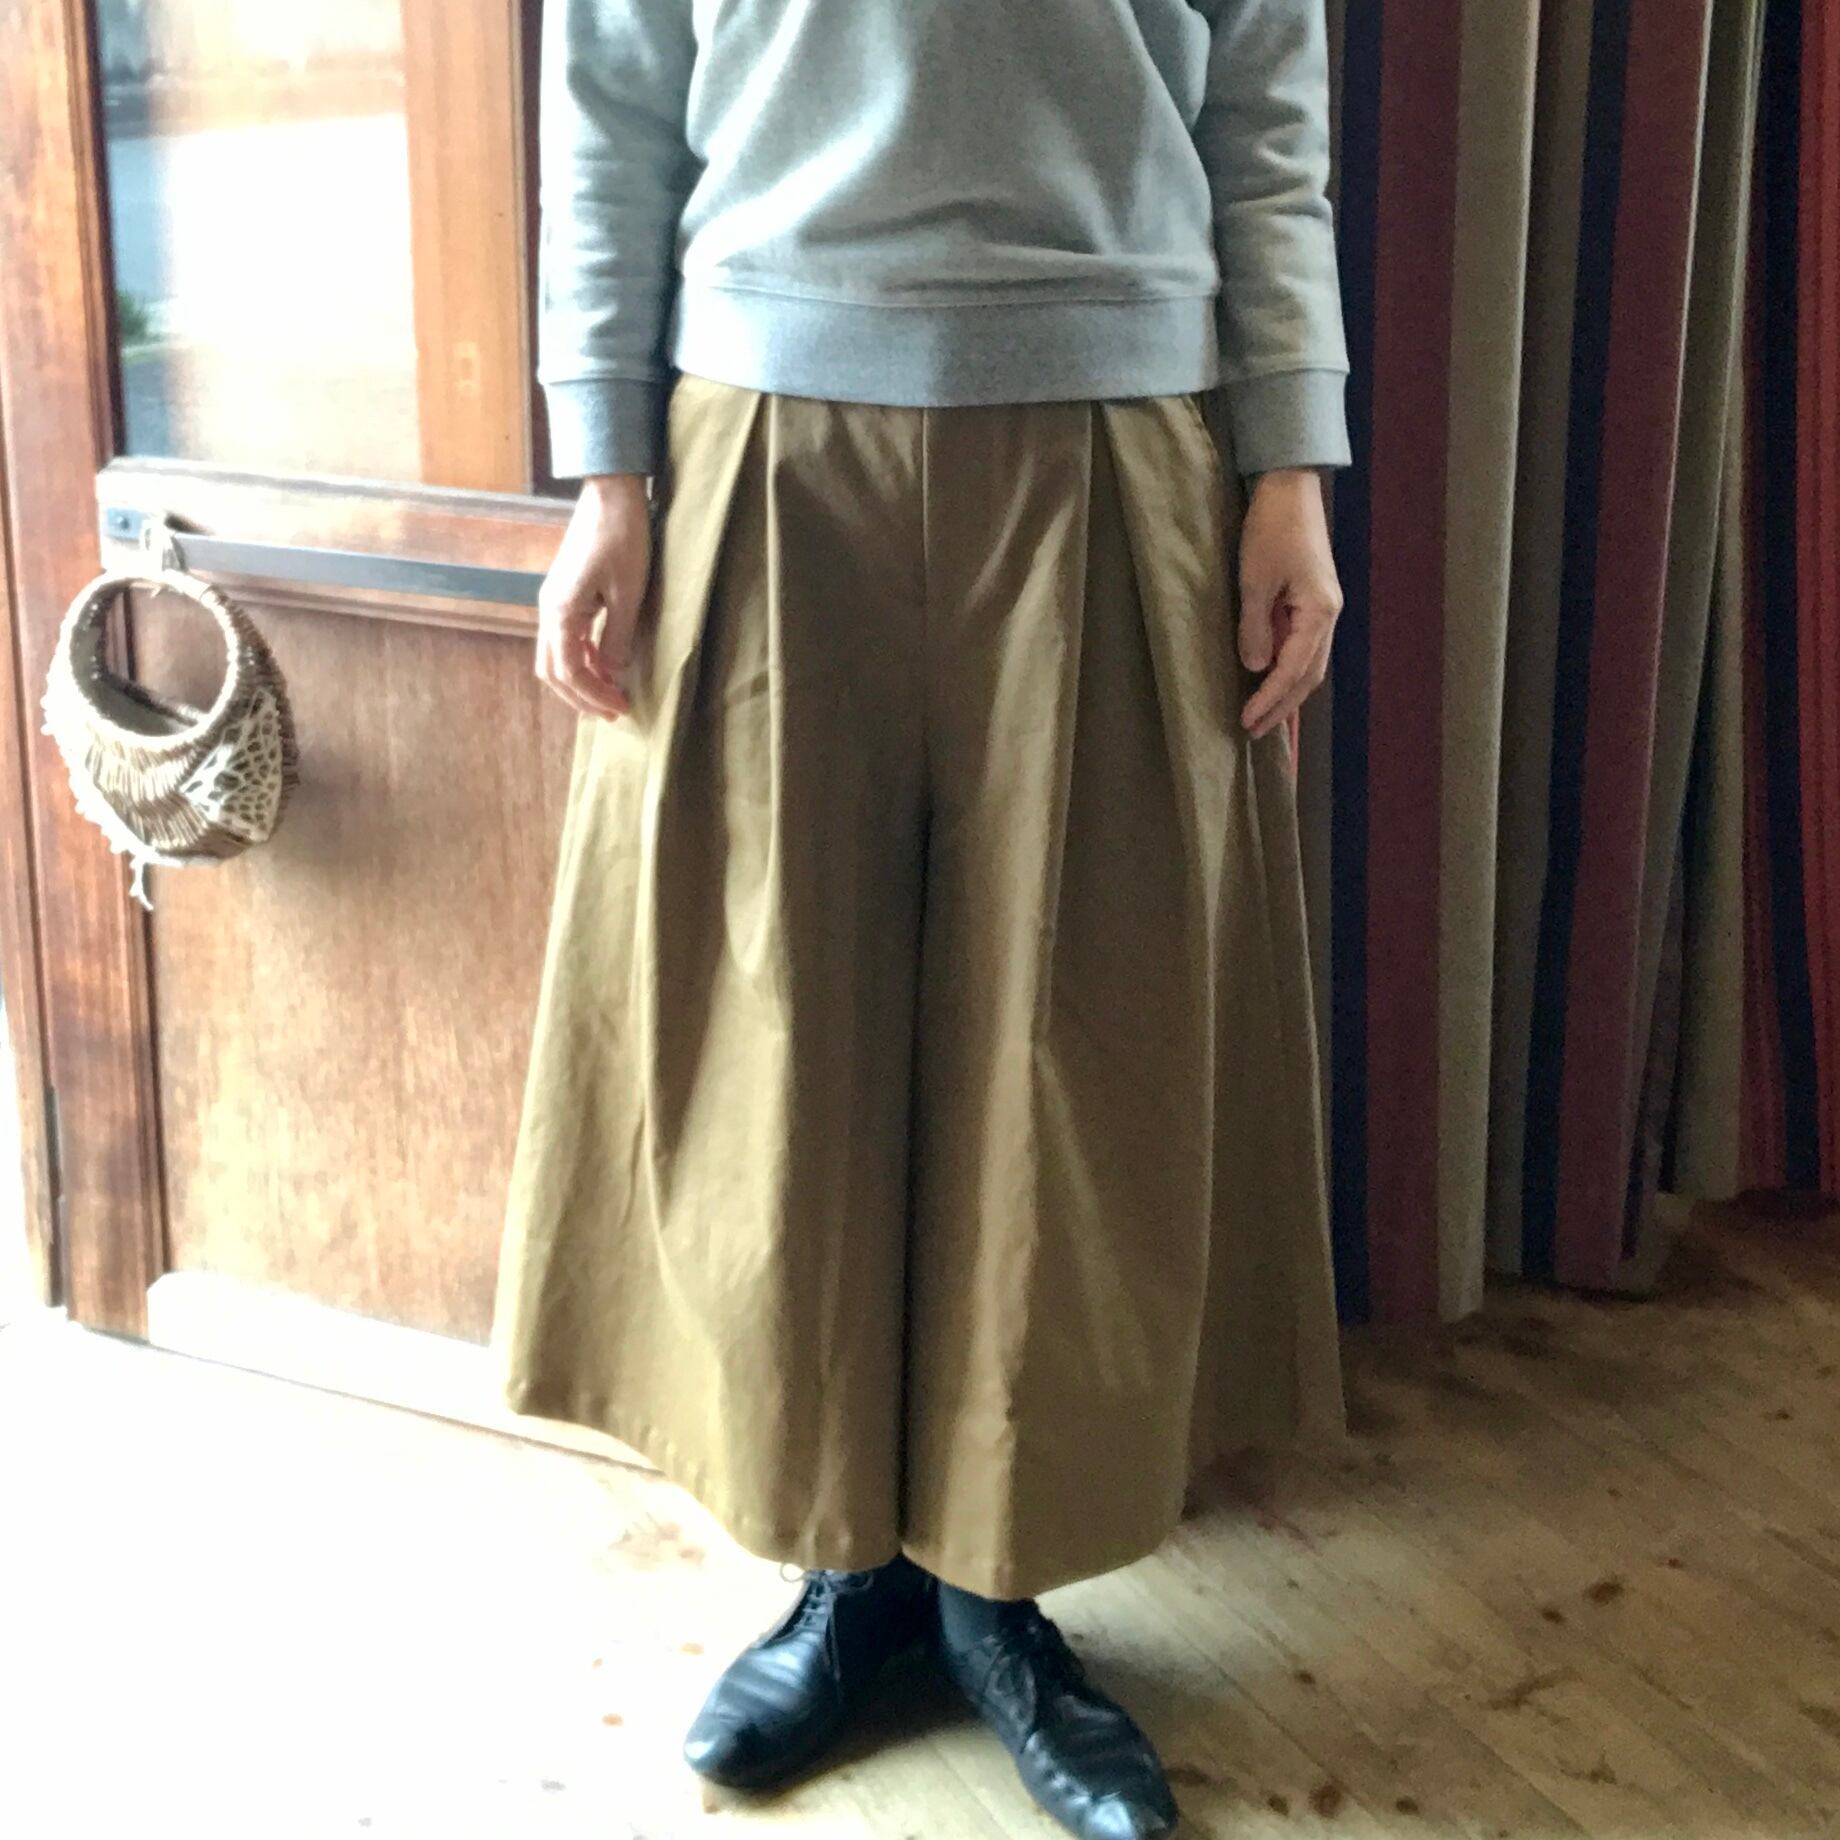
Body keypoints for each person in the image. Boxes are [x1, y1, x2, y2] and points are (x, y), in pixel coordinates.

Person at [491, 3, 1352, 1836]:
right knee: (784, 1040)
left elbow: (1269, 123)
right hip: (764, 447)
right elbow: (614, 107)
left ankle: (993, 1593)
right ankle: (845, 1576)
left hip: (1120, 433)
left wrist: (1292, 462)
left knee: (1069, 1055)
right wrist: (604, 469)